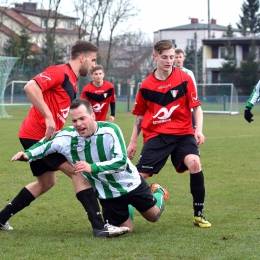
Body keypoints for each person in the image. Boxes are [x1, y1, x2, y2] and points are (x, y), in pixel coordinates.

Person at [0, 40, 127, 238]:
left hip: (41, 136)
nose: (94, 65)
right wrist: (48, 117)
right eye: (93, 60)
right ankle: (100, 227)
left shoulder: (74, 80)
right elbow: (30, 87)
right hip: (38, 136)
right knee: (79, 173)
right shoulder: (60, 71)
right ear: (82, 57)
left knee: (46, 182)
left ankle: (1, 218)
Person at [11, 98, 168, 233]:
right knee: (126, 230)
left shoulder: (110, 130)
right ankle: (126, 209)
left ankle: (159, 192)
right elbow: (45, 144)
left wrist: (92, 167)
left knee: (153, 216)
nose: (78, 124)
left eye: (82, 118)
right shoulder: (67, 136)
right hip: (107, 193)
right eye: (74, 121)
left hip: (130, 183)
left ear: (93, 116)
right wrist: (27, 154)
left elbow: (120, 161)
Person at [127, 39, 211, 228]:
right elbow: (139, 116)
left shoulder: (184, 79)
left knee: (195, 163)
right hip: (156, 135)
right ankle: (156, 194)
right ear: (154, 57)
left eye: (172, 57)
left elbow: (197, 108)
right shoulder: (146, 85)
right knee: (139, 177)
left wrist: (199, 130)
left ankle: (199, 214)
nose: (169, 61)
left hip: (183, 134)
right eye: (164, 57)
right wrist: (133, 142)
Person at [174, 48, 197, 129]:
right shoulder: (169, 72)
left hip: (188, 109)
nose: (178, 59)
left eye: (180, 57)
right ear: (173, 58)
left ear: (184, 58)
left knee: (191, 132)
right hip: (174, 109)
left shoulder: (189, 73)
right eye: (176, 57)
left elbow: (194, 91)